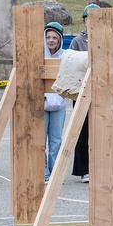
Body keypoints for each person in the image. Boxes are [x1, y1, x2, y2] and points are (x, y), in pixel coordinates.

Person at [67, 4, 98, 182]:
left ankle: (99, 167)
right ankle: (83, 169)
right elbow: (71, 65)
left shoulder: (106, 38)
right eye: (88, 19)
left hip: (101, 92)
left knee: (100, 132)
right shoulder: (77, 41)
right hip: (81, 91)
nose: (91, 22)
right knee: (82, 131)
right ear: (84, 22)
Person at [43, 22, 66, 183]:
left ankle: (55, 172)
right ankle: (43, 172)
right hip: (42, 104)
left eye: (54, 38)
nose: (51, 41)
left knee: (56, 141)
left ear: (59, 40)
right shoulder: (39, 54)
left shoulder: (65, 56)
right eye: (48, 37)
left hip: (59, 104)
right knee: (40, 140)